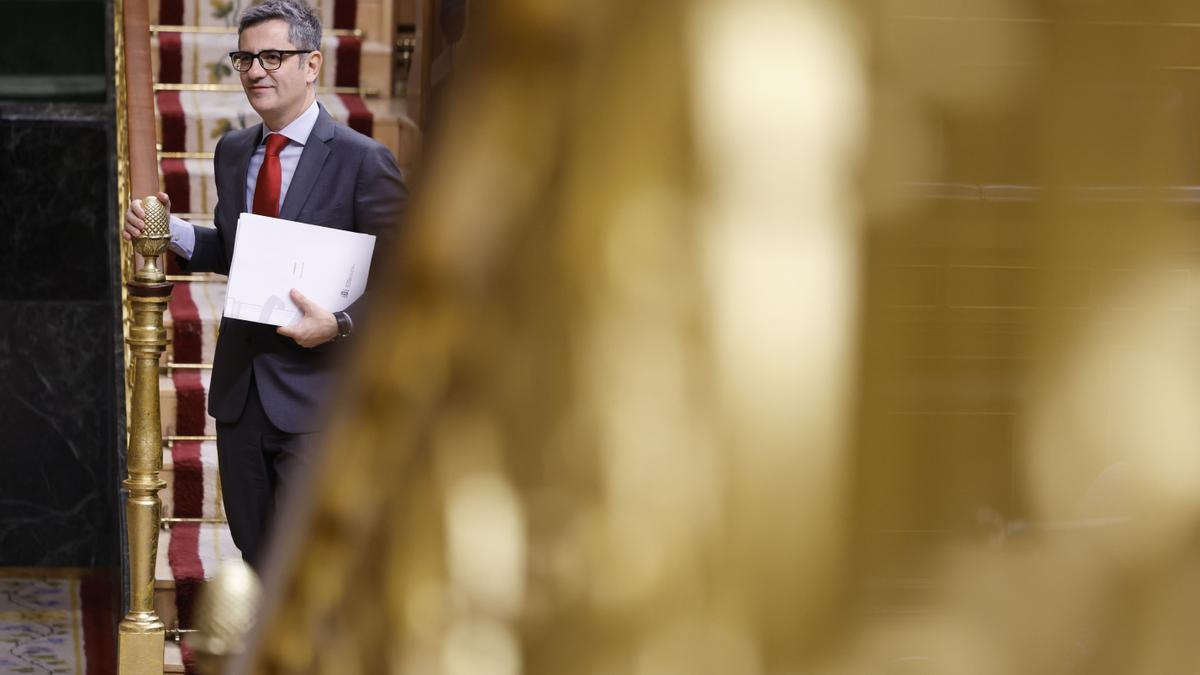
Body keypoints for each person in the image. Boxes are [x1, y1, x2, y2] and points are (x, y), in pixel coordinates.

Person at [124, 0, 407, 569]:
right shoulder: (234, 151)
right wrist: (171, 233)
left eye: (273, 56)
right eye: (245, 58)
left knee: (305, 564)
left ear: (312, 64)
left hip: (317, 398)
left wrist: (341, 324)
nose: (256, 70)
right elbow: (240, 254)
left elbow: (408, 285)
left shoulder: (363, 161)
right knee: (254, 550)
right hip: (240, 395)